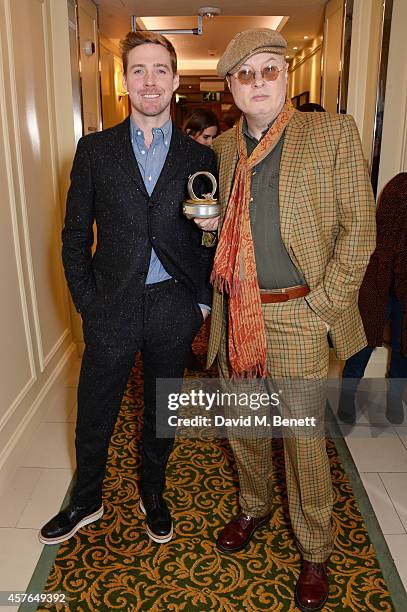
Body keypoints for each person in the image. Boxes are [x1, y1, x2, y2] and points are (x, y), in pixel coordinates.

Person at [196, 28, 376, 611]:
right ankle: (254, 505)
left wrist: (323, 303)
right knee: (244, 428)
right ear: (230, 87)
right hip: (239, 312)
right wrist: (209, 233)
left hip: (301, 311)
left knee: (302, 442)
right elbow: (228, 234)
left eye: (268, 70)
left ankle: (315, 548)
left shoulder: (331, 133)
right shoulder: (223, 149)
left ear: (287, 77)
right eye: (244, 74)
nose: (257, 83)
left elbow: (360, 230)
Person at [39, 30, 216, 546]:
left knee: (164, 410)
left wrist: (200, 304)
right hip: (111, 306)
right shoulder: (94, 150)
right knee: (95, 409)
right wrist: (89, 306)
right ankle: (86, 497)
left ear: (176, 80)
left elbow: (209, 240)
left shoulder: (198, 157)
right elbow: (74, 237)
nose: (150, 80)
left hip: (172, 306)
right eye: (138, 70)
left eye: (160, 69)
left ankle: (152, 490)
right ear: (125, 82)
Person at [338, 172, 407, 425]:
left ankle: (394, 399)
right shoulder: (400, 184)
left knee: (403, 347)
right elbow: (384, 236)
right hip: (379, 276)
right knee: (363, 341)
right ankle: (347, 397)